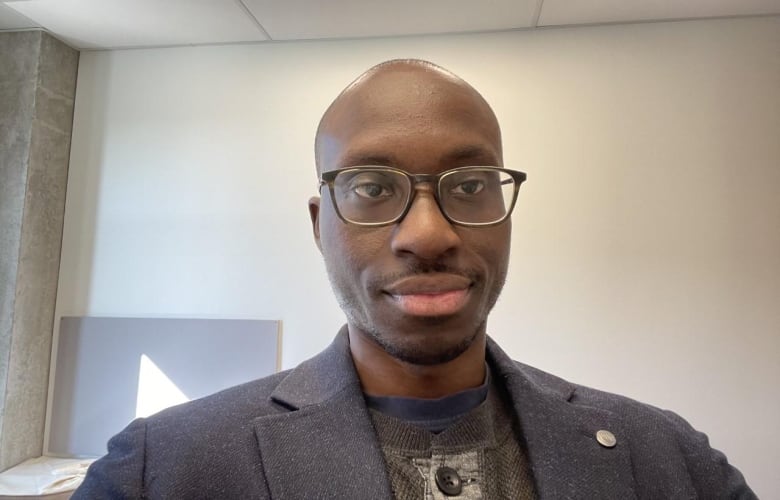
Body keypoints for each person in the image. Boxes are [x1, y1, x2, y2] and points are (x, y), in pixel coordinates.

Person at [73, 59, 755, 499]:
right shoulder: (159, 471)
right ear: (321, 224)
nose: (427, 234)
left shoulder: (670, 461)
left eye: (469, 184)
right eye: (371, 186)